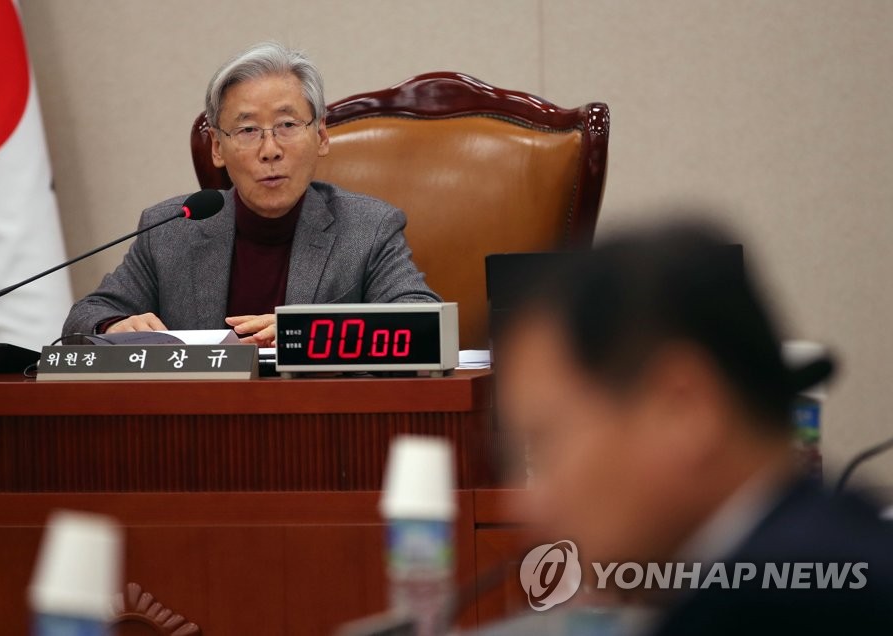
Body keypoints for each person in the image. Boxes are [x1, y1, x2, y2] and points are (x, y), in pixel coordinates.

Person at [492, 222, 893, 634]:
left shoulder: (770, 613)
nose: (527, 504)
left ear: (685, 409)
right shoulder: (847, 552)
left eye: (545, 443)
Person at [62, 42, 439, 345]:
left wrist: (308, 331)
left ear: (321, 136)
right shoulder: (170, 229)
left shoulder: (368, 228)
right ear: (217, 148)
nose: (270, 150)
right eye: (247, 131)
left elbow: (423, 321)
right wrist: (112, 326)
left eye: (287, 125)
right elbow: (86, 316)